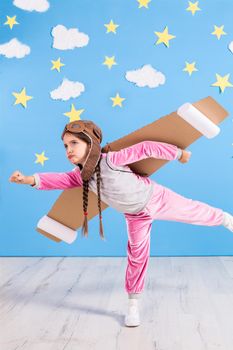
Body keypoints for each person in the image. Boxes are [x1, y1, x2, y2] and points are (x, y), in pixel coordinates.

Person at [9, 119, 233, 327]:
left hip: (156, 198)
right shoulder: (79, 176)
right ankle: (133, 304)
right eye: (65, 146)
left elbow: (145, 148)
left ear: (90, 142)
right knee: (136, 255)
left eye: (73, 143)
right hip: (135, 216)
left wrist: (177, 153)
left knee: (193, 211)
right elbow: (55, 180)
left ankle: (225, 219)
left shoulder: (111, 160)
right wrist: (28, 179)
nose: (68, 150)